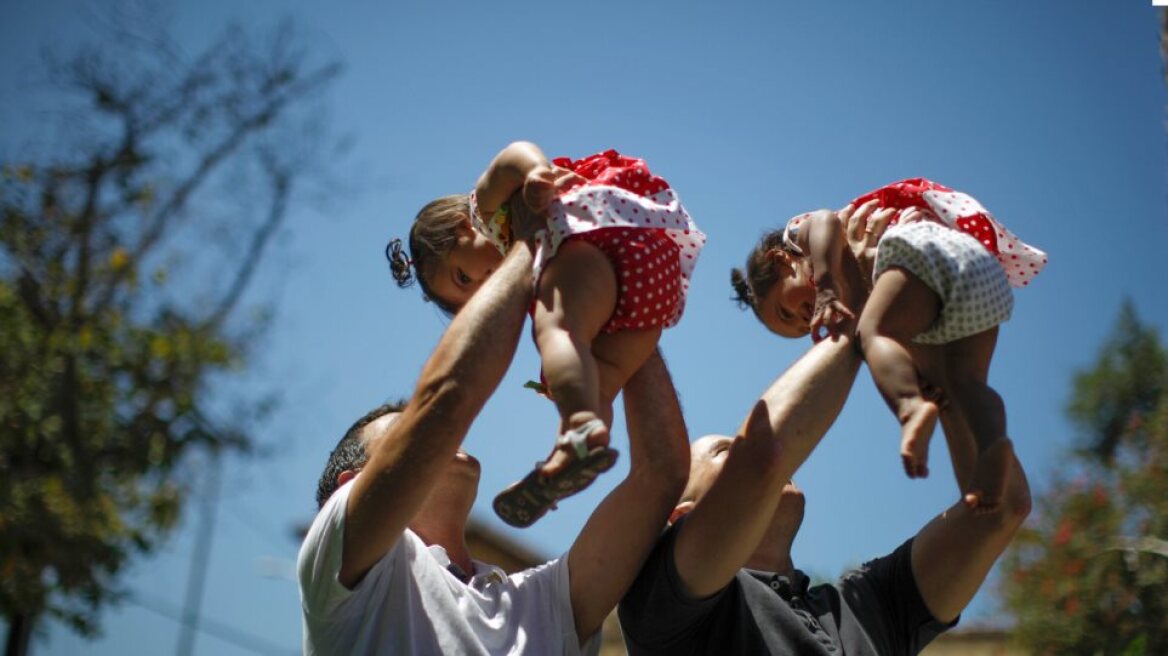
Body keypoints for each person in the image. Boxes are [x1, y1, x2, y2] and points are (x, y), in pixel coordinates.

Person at [620, 205, 1033, 655]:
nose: (740, 452)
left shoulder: (869, 607)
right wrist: (856, 301)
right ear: (682, 517)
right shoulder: (663, 609)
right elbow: (763, 458)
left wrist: (940, 369)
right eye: (724, 453)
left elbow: (999, 511)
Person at [299, 222, 689, 655]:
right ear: (350, 486)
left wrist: (613, 296)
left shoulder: (538, 605)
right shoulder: (336, 568)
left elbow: (662, 473)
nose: (435, 433)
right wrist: (536, 234)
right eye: (405, 425)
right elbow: (446, 401)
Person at [386, 141, 705, 527]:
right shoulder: (533, 271)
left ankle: (579, 424)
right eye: (469, 293)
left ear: (462, 227)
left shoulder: (486, 211)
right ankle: (571, 454)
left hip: (598, 232)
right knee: (600, 376)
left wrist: (535, 170)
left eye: (462, 276)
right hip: (655, 280)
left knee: (556, 331)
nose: (481, 285)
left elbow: (510, 157)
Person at [730, 178, 1046, 511]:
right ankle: (993, 444)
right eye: (798, 328)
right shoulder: (866, 283)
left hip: (922, 247)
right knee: (965, 383)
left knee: (873, 336)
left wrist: (826, 286)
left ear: (782, 261)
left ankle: (909, 406)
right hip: (984, 276)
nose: (805, 320)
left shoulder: (799, 237)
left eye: (786, 311)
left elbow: (824, 220)